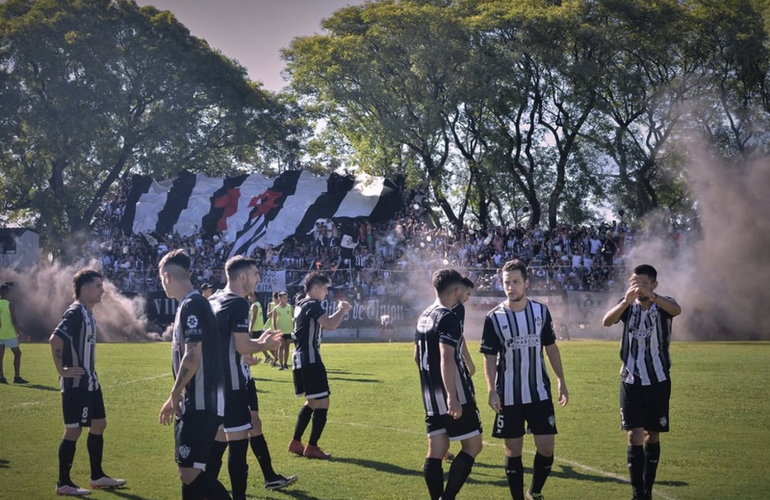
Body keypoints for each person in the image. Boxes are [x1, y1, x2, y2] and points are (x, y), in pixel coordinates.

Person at [207, 257, 296, 499]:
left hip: (213, 384)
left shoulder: (213, 299)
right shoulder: (238, 304)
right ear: (243, 276)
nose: (259, 278)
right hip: (233, 383)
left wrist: (245, 353)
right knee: (238, 442)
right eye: (256, 273)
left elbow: (221, 344)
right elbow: (242, 345)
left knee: (218, 437)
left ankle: (201, 490)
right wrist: (263, 344)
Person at [480, 260, 569, 500]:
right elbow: (489, 358)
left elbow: (551, 348)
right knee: (513, 449)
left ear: (526, 283)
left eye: (516, 282)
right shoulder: (494, 317)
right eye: (507, 282)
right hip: (509, 394)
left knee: (546, 447)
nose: (511, 287)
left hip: (539, 392)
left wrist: (561, 380)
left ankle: (534, 491)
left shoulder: (541, 312)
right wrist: (491, 390)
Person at [157, 250, 232, 500]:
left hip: (200, 401)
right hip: (200, 400)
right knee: (190, 472)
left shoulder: (192, 304)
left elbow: (192, 355)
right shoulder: (191, 304)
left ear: (166, 276)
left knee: (188, 473)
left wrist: (175, 393)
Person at [602, 264, 681, 500]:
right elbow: (606, 321)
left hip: (658, 380)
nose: (638, 289)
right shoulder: (626, 306)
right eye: (634, 284)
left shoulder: (663, 305)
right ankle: (638, 493)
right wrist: (625, 301)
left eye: (643, 284)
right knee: (633, 435)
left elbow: (677, 310)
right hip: (631, 380)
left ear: (654, 285)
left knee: (652, 435)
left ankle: (648, 487)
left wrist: (653, 297)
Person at [49, 269, 125, 496]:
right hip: (77, 383)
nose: (102, 290)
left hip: (91, 381)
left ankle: (96, 476)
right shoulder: (75, 313)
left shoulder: (88, 313)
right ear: (84, 289)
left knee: (99, 424)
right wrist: (62, 370)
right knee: (73, 430)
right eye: (98, 286)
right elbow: (55, 340)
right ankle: (63, 483)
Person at [415, 269, 483, 500]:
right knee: (473, 446)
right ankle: (448, 497)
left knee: (436, 451)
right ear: (456, 290)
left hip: (430, 395)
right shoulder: (448, 317)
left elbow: (417, 356)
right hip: (453, 394)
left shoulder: (424, 315)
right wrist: (452, 396)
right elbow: (446, 357)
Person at [287, 272, 352, 459]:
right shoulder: (311, 304)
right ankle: (312, 446)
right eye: (324, 289)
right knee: (323, 401)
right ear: (315, 288)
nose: (326, 293)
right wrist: (342, 310)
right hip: (310, 359)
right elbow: (330, 324)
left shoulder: (300, 304)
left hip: (300, 358)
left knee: (313, 401)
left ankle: (296, 442)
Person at [443, 276, 477, 462]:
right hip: (450, 364)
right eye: (467, 293)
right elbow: (456, 338)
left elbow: (458, 337)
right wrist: (468, 362)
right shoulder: (454, 308)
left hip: (447, 364)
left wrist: (468, 361)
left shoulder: (452, 308)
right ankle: (467, 443)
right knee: (463, 401)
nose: (467, 298)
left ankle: (441, 447)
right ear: (459, 290)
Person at [0, 283, 27, 384]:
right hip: (8, 334)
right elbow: (14, 320)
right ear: (7, 293)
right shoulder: (9, 304)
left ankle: (1, 377)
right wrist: (18, 333)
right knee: (17, 353)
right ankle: (16, 377)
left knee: (0, 356)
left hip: (0, 334)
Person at [271, 291, 294, 370]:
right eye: (284, 297)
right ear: (279, 298)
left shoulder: (290, 307)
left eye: (286, 297)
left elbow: (294, 318)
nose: (286, 299)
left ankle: (285, 363)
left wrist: (294, 328)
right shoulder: (276, 309)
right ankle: (281, 364)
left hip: (288, 330)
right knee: (281, 347)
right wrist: (275, 330)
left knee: (287, 347)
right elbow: (273, 320)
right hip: (280, 331)